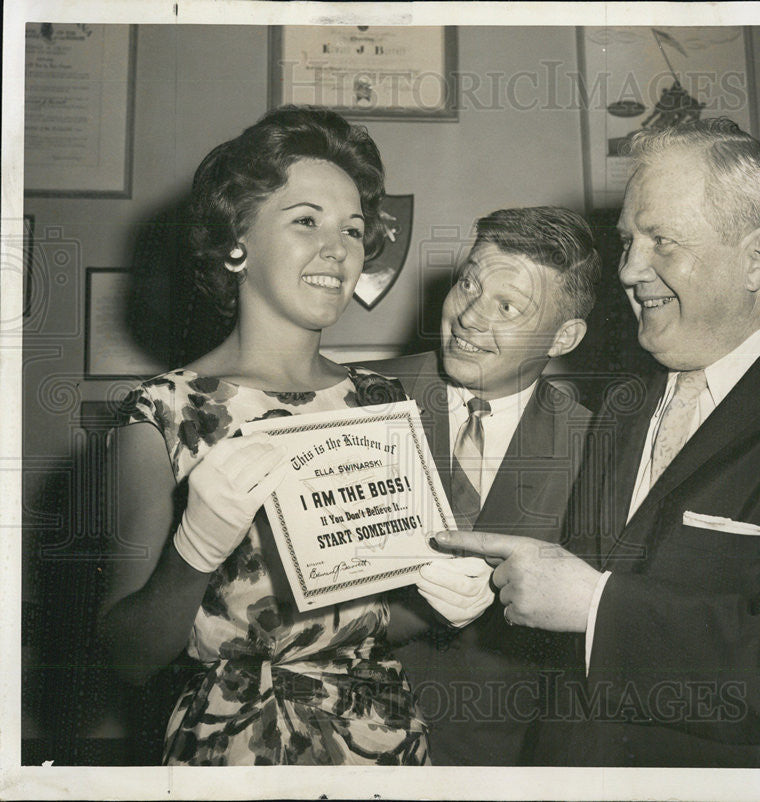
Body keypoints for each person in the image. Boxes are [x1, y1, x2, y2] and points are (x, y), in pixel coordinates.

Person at [435, 119, 760, 768]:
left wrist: (596, 607)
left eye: (661, 243)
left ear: (756, 260)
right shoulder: (625, 403)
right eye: (627, 241)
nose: (628, 269)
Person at [97, 106, 491, 766]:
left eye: (354, 230)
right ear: (235, 241)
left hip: (384, 746)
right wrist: (191, 552)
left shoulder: (380, 402)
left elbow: (376, 623)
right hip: (232, 752)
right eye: (306, 220)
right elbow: (128, 657)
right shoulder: (162, 414)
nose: (338, 249)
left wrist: (455, 602)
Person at [360, 207, 599, 764]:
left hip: (506, 761)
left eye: (507, 307)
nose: (467, 317)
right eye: (469, 284)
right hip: (345, 743)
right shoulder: (356, 396)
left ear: (564, 336)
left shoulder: (598, 445)